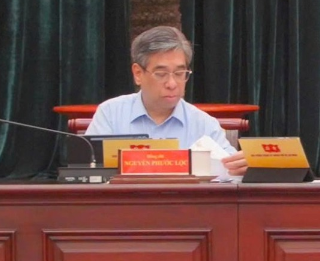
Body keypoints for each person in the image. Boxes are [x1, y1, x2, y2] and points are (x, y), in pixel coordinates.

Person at [86, 26, 247, 177]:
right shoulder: (111, 114)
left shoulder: (203, 123)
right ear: (138, 73)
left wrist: (241, 167)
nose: (172, 84)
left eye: (179, 73)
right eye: (161, 74)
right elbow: (89, 173)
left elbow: (230, 174)